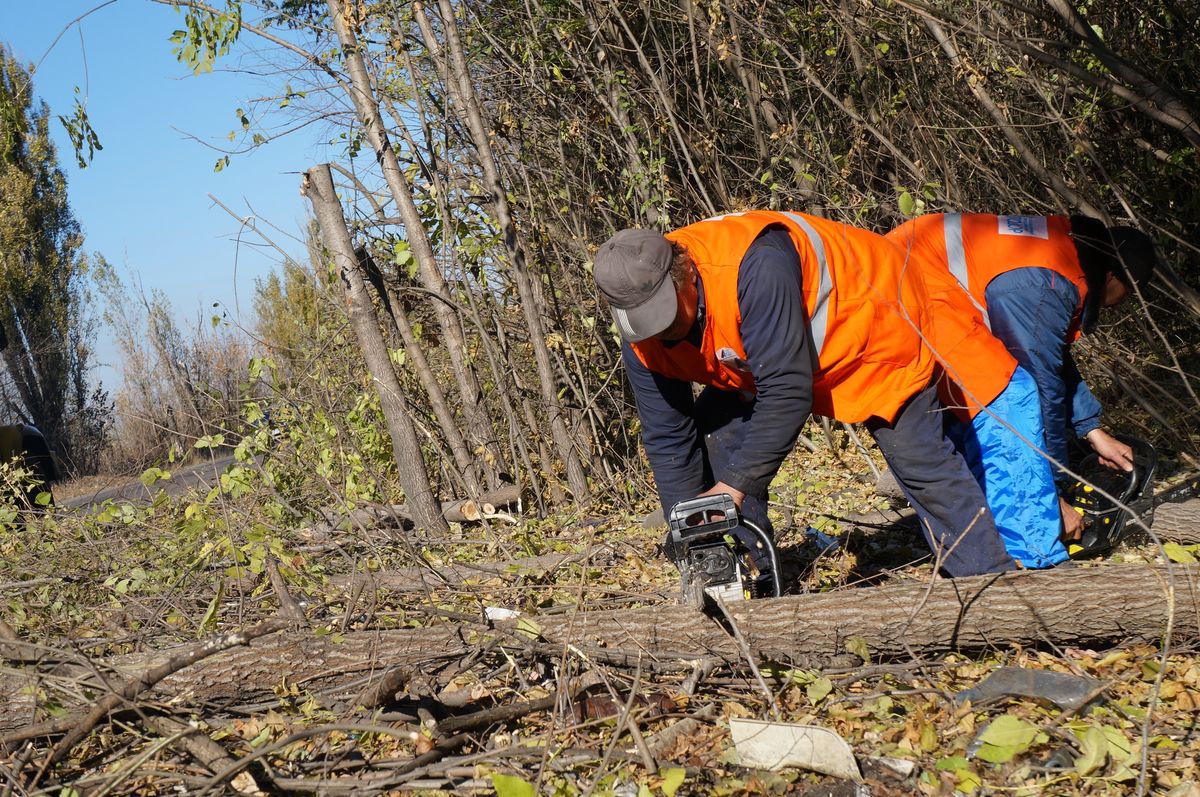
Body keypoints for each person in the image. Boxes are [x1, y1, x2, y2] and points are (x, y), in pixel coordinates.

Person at [593, 210, 1019, 580]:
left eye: (666, 315)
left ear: (683, 272)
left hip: (873, 322)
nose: (662, 331)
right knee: (716, 438)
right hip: (767, 360)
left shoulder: (754, 266)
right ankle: (748, 575)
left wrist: (734, 488)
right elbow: (668, 435)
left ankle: (988, 585)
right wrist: (691, 529)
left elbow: (786, 392)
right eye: (646, 322)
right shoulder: (640, 336)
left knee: (917, 459)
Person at [887, 213, 1157, 548]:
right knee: (1006, 401)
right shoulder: (1047, 280)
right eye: (1127, 295)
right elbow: (1040, 387)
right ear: (1114, 276)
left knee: (1002, 402)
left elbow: (1049, 356)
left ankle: (988, 535)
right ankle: (1021, 541)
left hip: (908, 277)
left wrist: (1091, 429)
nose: (1118, 306)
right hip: (906, 288)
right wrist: (1053, 493)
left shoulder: (1057, 257)